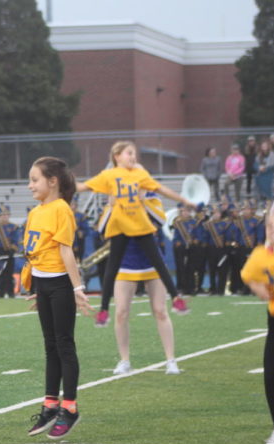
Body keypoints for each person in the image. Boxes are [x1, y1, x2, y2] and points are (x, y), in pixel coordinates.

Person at [77, 142, 193, 327]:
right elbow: (84, 187)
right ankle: (104, 309)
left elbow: (160, 189)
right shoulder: (109, 175)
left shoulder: (139, 173)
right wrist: (61, 185)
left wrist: (183, 200)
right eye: (129, 153)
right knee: (111, 268)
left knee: (159, 263)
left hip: (140, 226)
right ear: (117, 156)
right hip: (120, 227)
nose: (133, 157)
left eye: (134, 154)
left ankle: (176, 298)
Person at [22, 157, 91, 440]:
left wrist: (77, 289)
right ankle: (50, 405)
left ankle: (70, 408)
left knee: (64, 345)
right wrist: (36, 287)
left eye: (34, 179)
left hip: (61, 284)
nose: (30, 186)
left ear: (53, 182)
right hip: (44, 283)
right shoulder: (37, 211)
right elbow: (36, 252)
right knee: (50, 346)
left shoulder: (61, 209)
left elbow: (65, 252)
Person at [240, 205, 274, 444]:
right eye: (269, 225)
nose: (273, 229)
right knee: (271, 374)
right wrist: (264, 292)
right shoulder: (262, 254)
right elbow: (248, 275)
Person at [112, 233, 180, 375]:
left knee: (160, 311)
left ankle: (171, 360)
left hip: (152, 261)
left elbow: (158, 221)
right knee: (121, 313)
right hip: (126, 261)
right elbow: (103, 227)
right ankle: (124, 360)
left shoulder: (150, 210)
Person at [0, 204, 21, 298]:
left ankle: (11, 292)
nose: (5, 217)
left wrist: (12, 250)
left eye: (6, 215)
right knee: (0, 274)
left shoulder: (14, 227)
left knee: (9, 273)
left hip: (10, 254)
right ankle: (1, 292)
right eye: (2, 215)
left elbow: (16, 240)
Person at [202, 205, 230, 295]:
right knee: (212, 270)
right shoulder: (208, 225)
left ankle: (221, 290)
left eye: (217, 212)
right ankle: (213, 289)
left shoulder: (225, 224)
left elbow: (227, 237)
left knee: (222, 270)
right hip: (211, 249)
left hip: (222, 249)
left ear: (220, 214)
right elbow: (205, 237)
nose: (216, 214)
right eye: (214, 213)